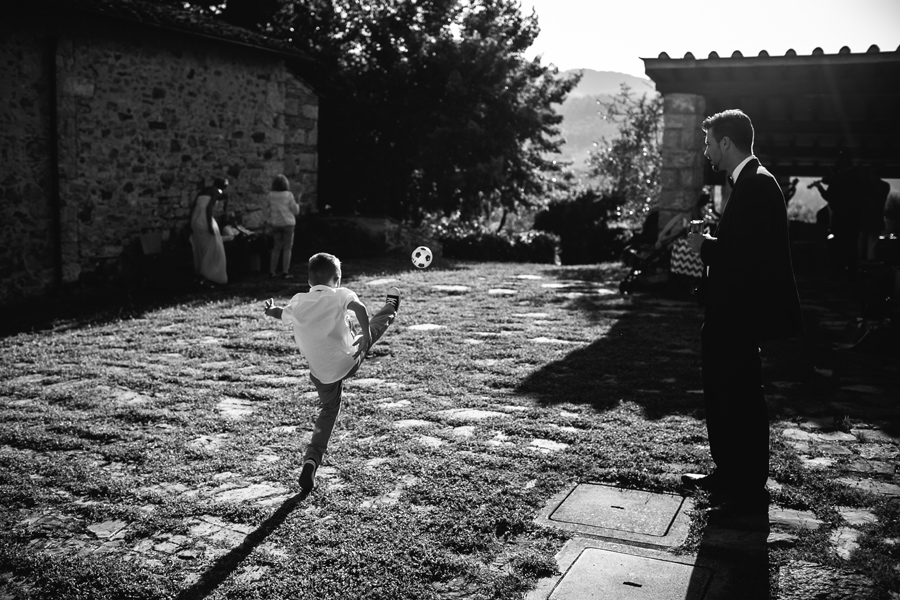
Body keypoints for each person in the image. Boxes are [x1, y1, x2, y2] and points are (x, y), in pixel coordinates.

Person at [685, 109, 803, 515]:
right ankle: (728, 472)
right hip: (731, 312)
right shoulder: (752, 182)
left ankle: (747, 488)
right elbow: (747, 245)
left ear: (725, 143)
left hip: (740, 315)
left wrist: (705, 247)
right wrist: (715, 238)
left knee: (740, 398)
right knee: (723, 393)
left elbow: (745, 256)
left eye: (708, 144)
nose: (705, 153)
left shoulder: (755, 185)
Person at [263, 253, 401, 492]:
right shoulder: (341, 294)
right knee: (375, 327)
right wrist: (366, 334)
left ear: (309, 281)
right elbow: (359, 307)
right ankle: (390, 306)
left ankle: (311, 460)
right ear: (337, 279)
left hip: (321, 373)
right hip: (348, 360)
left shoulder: (297, 301)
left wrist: (271, 310)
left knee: (328, 411)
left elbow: (280, 314)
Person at [190, 177, 229, 285]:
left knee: (200, 248)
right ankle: (211, 275)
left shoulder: (203, 191)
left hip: (195, 219)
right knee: (214, 248)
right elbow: (208, 208)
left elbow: (193, 206)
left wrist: (190, 222)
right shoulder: (216, 192)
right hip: (204, 220)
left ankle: (201, 273)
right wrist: (209, 224)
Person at [268, 174, 301, 279]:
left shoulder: (270, 195)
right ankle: (285, 271)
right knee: (287, 248)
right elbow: (295, 210)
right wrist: (298, 201)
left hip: (276, 223)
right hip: (288, 223)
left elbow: (267, 209)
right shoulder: (289, 195)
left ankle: (272, 271)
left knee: (276, 248)